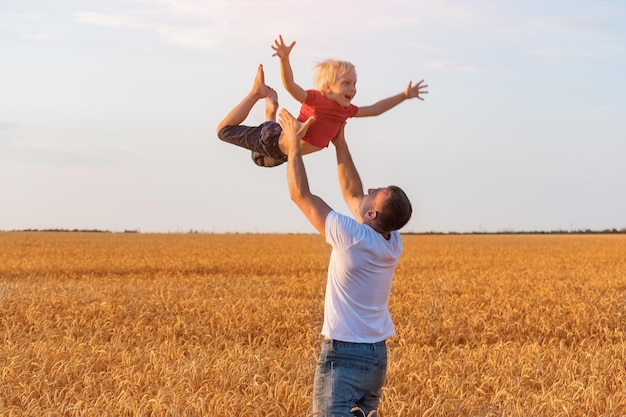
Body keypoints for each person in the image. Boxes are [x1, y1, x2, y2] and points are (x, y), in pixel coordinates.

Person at [278, 107, 412, 416]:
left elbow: (300, 195)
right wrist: (340, 143)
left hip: (345, 356)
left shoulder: (353, 235)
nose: (369, 189)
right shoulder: (392, 241)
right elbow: (353, 192)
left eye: (376, 192)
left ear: (372, 215)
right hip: (376, 358)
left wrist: (294, 144)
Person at [216, 37, 428, 168]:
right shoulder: (316, 99)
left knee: (258, 159)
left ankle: (270, 111)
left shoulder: (345, 110)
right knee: (223, 131)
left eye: (354, 83)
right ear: (327, 88)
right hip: (273, 140)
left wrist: (404, 95)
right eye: (346, 83)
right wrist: (284, 59)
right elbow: (291, 86)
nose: (352, 88)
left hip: (281, 155)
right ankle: (256, 93)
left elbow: (375, 109)